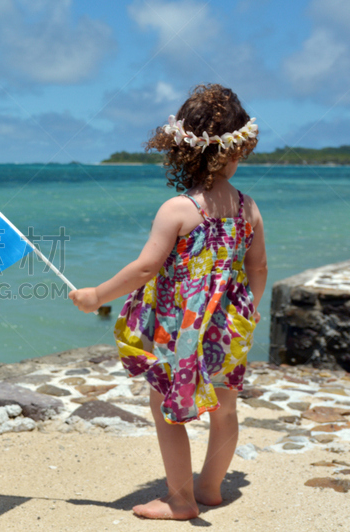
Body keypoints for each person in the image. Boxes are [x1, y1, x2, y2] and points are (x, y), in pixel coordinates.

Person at [69, 84, 268, 520]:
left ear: (183, 153)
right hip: (231, 324)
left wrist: (96, 296)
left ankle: (181, 499)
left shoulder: (177, 210)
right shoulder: (247, 207)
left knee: (167, 407)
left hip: (181, 327)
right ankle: (211, 488)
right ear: (230, 153)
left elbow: (144, 269)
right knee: (225, 404)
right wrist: (248, 308)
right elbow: (259, 268)